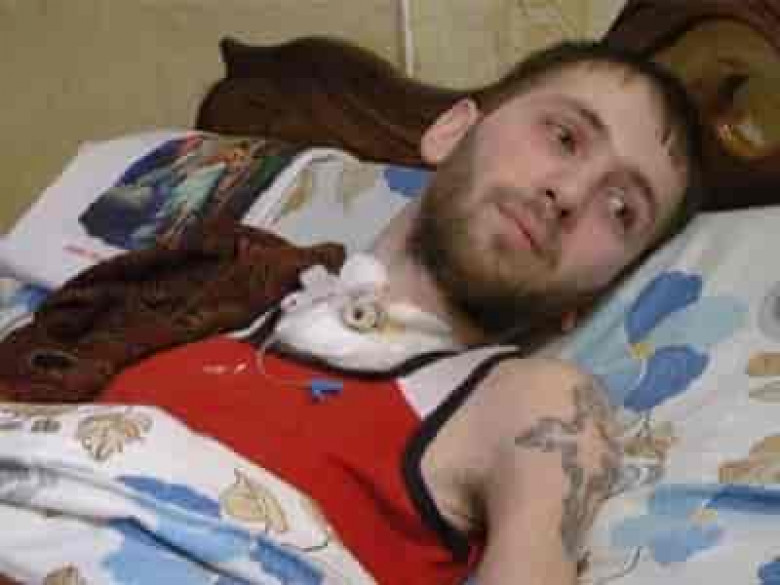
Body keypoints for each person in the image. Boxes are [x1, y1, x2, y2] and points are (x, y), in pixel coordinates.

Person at [93, 40, 704, 584]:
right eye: (565, 137)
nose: (568, 194)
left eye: (621, 209)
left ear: (589, 300)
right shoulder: (214, 298)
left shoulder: (532, 402)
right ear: (451, 131)